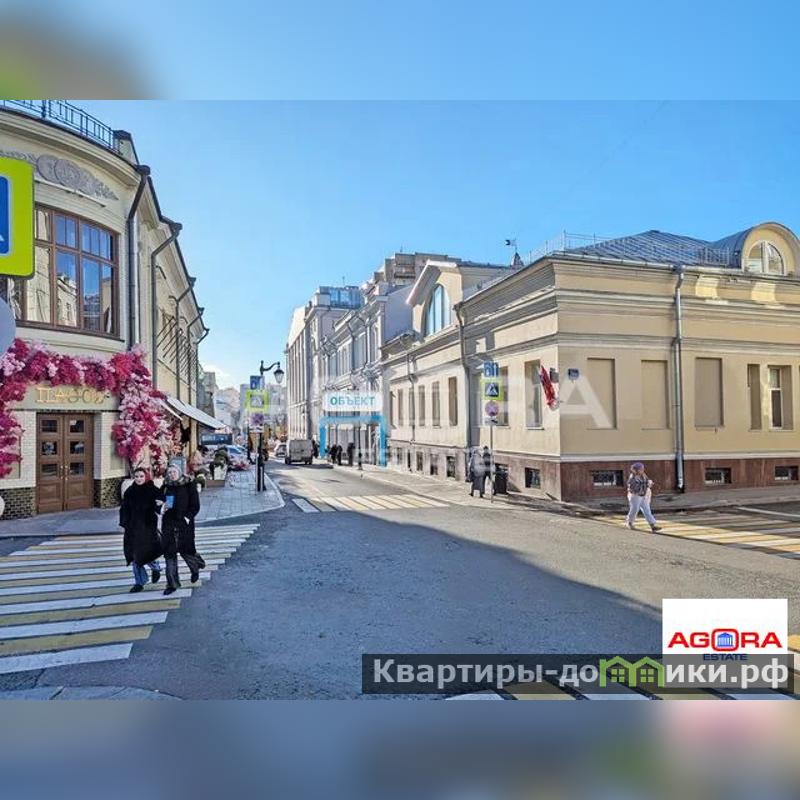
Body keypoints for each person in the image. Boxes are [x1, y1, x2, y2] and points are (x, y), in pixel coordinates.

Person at [160, 463, 206, 595]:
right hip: (168, 523)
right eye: (169, 473)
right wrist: (162, 507)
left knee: (186, 551)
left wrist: (187, 517)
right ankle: (172, 584)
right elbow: (157, 500)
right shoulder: (166, 486)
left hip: (184, 524)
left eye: (174, 472)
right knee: (169, 554)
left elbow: (195, 506)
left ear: (179, 472)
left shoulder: (188, 484)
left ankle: (195, 568)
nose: (172, 475)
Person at [119, 467, 162, 593]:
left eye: (141, 476)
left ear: (146, 477)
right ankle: (139, 582)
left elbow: (161, 503)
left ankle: (156, 568)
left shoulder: (152, 490)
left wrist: (162, 507)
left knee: (146, 552)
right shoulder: (130, 491)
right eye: (136, 476)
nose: (139, 479)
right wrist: (125, 523)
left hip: (147, 527)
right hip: (132, 528)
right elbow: (124, 509)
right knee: (134, 555)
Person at [626, 462, 662, 532]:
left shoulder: (643, 475)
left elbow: (647, 481)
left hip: (644, 495)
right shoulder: (632, 477)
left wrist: (650, 483)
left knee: (647, 510)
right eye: (640, 469)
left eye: (642, 469)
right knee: (634, 509)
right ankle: (629, 523)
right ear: (635, 470)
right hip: (635, 496)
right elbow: (633, 488)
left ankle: (652, 525)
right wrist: (645, 485)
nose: (642, 470)